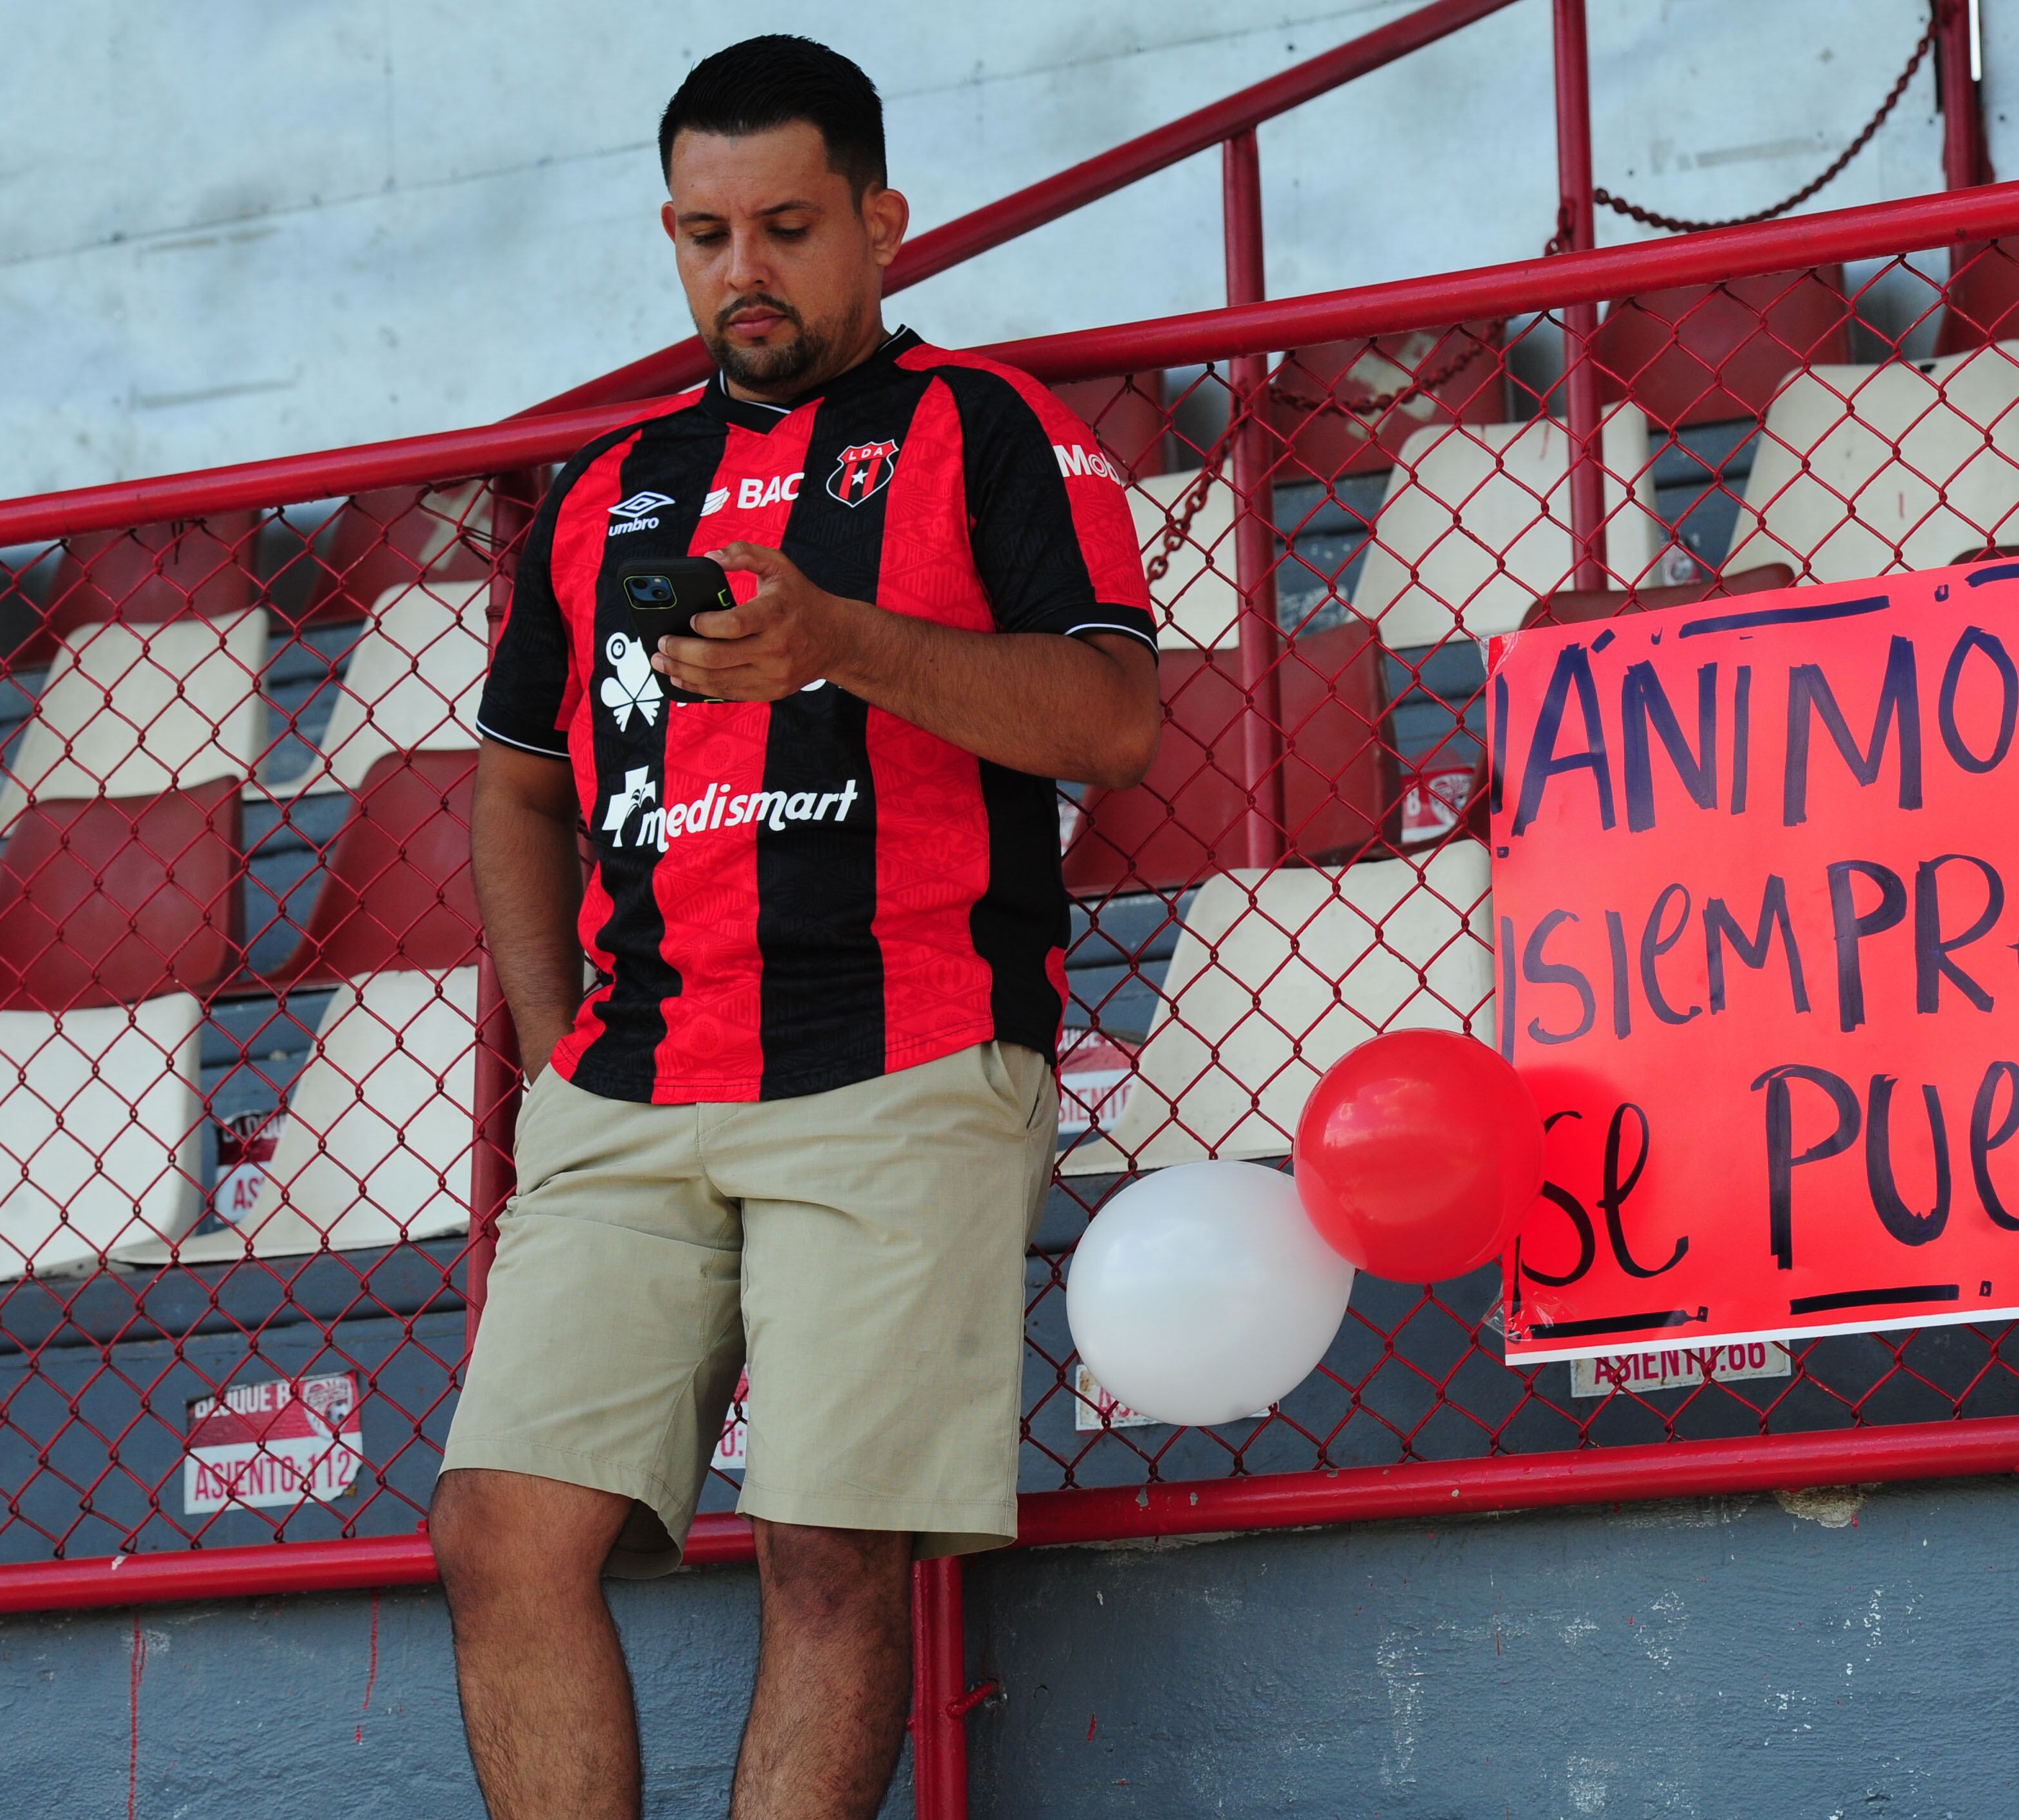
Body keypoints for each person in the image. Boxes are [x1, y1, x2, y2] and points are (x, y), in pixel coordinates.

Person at [429, 35, 1160, 1820]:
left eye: (785, 225)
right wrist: (552, 1061)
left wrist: (843, 641)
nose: (740, 271)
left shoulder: (991, 428)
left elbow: (1112, 722)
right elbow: (517, 789)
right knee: (498, 1531)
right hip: (631, 1076)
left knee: (830, 1556)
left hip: (907, 1054)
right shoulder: (606, 490)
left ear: (882, 224)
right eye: (702, 233)